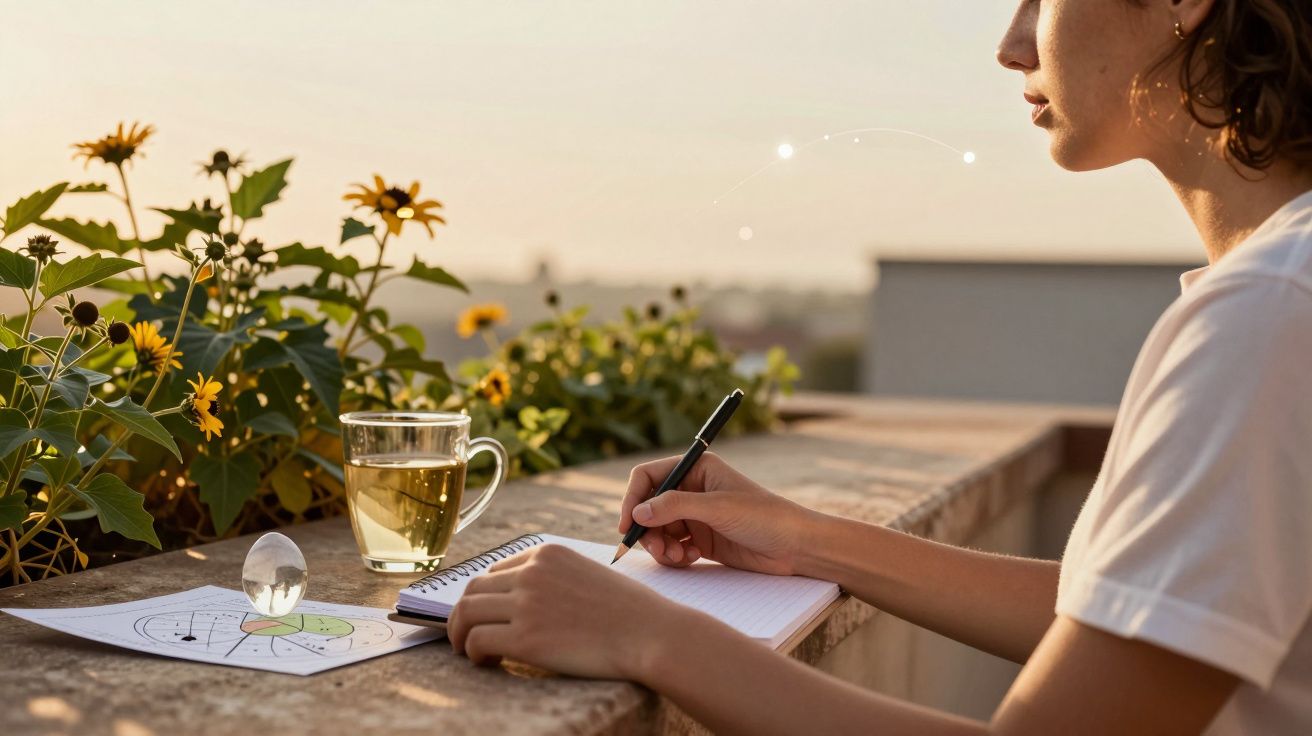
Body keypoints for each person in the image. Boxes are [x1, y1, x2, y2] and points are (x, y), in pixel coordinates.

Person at [447, 0, 1312, 732]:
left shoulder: (1269, 316)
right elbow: (1129, 616)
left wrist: (650, 637)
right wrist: (803, 540)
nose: (1012, 44)